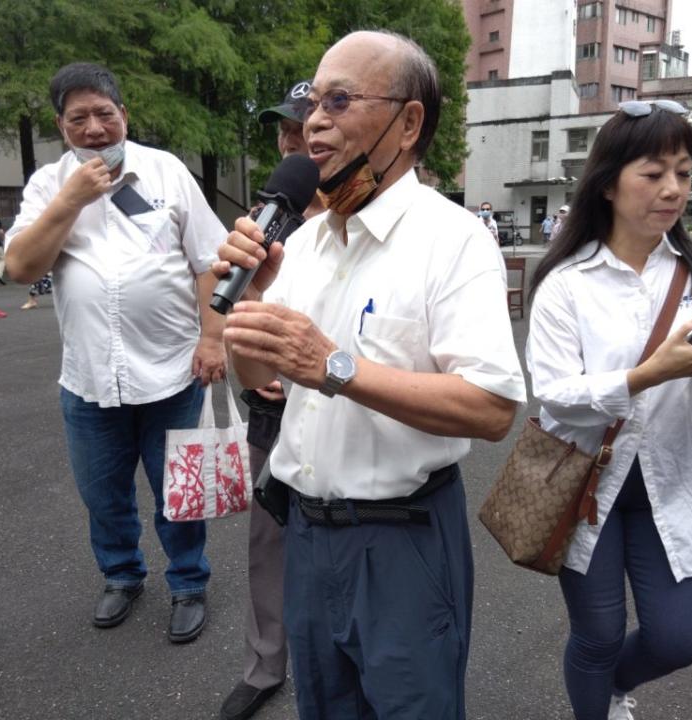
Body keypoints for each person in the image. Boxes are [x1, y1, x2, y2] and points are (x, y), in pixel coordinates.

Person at [214, 31, 526, 719]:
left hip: (404, 540)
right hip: (306, 533)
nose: (314, 121)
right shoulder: (300, 244)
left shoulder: (454, 241)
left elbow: (491, 407)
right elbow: (263, 377)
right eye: (312, 104)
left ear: (408, 122)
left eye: (340, 100)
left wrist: (338, 367)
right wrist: (254, 302)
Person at [526, 99, 692, 720]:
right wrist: (646, 375)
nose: (673, 190)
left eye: (685, 173)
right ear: (609, 183)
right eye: (653, 172)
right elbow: (554, 394)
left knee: (676, 640)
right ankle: (598, 706)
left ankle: (612, 687)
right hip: (587, 484)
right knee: (598, 636)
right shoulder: (566, 282)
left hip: (673, 479)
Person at [4, 62, 228, 642]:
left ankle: (187, 582)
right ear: (62, 126)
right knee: (103, 496)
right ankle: (122, 576)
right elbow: (21, 267)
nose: (95, 127)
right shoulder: (47, 185)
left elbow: (208, 262)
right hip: (90, 378)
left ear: (124, 114)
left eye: (105, 113)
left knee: (181, 490)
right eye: (79, 118)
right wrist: (70, 200)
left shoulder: (167, 171)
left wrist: (212, 337)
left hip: (175, 370)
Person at [220, 78, 324, 720]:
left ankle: (337, 662)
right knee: (268, 543)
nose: (293, 140)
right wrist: (248, 363)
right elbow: (233, 315)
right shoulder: (266, 221)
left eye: (305, 126)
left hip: (345, 414)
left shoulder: (364, 222)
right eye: (285, 130)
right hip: (272, 416)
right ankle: (265, 664)